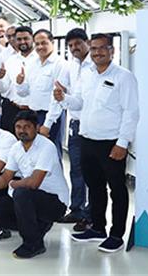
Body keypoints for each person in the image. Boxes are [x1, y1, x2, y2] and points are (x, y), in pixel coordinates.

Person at [55, 33, 139, 253]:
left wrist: (123, 143)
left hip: (111, 143)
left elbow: (131, 112)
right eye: (93, 49)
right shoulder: (88, 74)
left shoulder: (124, 77)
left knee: (117, 190)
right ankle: (98, 228)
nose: (97, 52)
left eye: (102, 48)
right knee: (95, 187)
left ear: (112, 50)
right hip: (87, 139)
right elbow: (79, 102)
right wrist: (63, 98)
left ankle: (117, 234)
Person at [0, 111, 69, 259]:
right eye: (18, 127)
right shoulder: (16, 148)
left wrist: (13, 183)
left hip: (55, 202)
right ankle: (37, 226)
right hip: (32, 199)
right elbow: (5, 178)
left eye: (27, 127)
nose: (22, 130)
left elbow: (34, 183)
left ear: (36, 127)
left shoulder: (47, 146)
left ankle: (34, 244)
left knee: (21, 192)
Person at [53, 28, 93, 231]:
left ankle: (91, 215)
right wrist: (63, 94)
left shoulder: (96, 66)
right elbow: (64, 91)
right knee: (76, 170)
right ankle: (77, 209)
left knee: (93, 174)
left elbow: (85, 101)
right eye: (70, 46)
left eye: (78, 43)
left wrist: (65, 98)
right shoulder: (71, 66)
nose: (74, 48)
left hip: (94, 125)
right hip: (76, 124)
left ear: (87, 42)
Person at [15, 29, 68, 152]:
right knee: (35, 152)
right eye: (37, 44)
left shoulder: (60, 64)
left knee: (51, 152)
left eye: (43, 43)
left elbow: (58, 99)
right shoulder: (33, 63)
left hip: (52, 116)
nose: (40, 47)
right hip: (33, 115)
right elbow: (24, 93)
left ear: (52, 42)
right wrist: (19, 83)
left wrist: (47, 125)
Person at [0, 26, 37, 134]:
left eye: (26, 38)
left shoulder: (39, 59)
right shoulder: (11, 61)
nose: (22, 42)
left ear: (32, 38)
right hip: (13, 109)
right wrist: (0, 78)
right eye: (18, 39)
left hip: (34, 110)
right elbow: (4, 89)